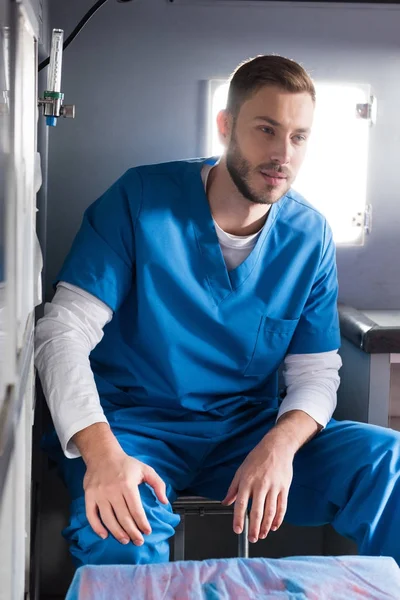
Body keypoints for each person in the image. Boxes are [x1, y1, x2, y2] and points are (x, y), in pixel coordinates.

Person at [35, 55, 400, 567]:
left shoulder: (308, 235)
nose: (282, 154)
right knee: (120, 534)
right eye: (266, 129)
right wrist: (101, 454)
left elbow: (316, 370)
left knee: (389, 462)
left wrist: (279, 445)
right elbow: (62, 331)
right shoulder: (140, 199)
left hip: (245, 433)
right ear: (226, 127)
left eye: (298, 137)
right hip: (134, 431)